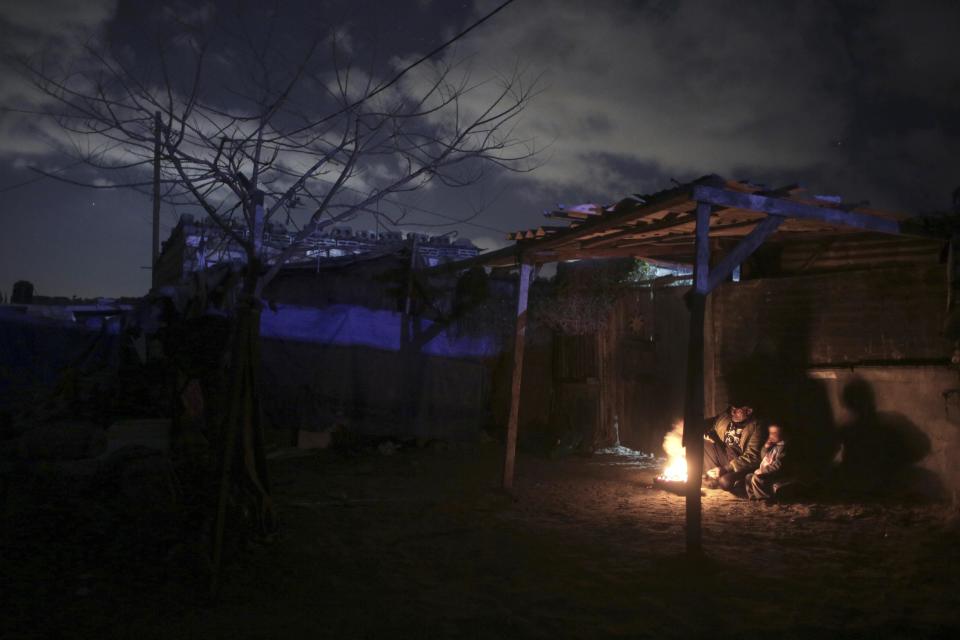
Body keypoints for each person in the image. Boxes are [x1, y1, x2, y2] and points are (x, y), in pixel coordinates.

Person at [702, 404, 763, 493]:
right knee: (703, 442)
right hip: (726, 457)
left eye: (738, 410)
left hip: (741, 464)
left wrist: (726, 468)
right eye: (732, 409)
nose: (733, 412)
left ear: (749, 411)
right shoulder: (725, 418)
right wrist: (708, 433)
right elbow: (711, 423)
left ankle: (738, 481)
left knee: (725, 482)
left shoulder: (757, 426)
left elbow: (752, 456)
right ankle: (713, 476)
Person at [745, 424, 790, 500]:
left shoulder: (784, 448)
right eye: (770, 433)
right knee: (749, 476)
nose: (771, 436)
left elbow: (778, 466)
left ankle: (764, 498)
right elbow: (764, 457)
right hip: (766, 471)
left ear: (783, 434)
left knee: (757, 479)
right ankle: (753, 496)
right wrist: (766, 447)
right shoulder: (774, 445)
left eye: (774, 433)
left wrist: (762, 471)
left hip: (776, 473)